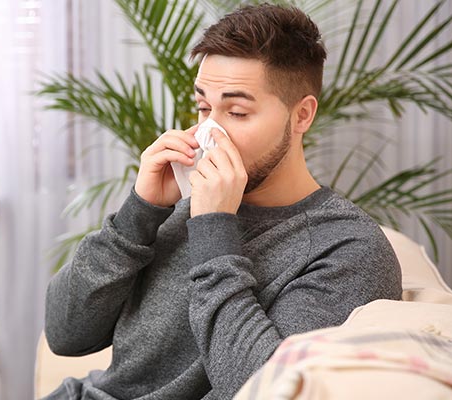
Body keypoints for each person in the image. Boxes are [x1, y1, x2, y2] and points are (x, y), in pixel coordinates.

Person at [43, 4, 402, 400]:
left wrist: (215, 228)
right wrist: (138, 212)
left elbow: (265, 389)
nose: (208, 132)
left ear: (301, 115)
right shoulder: (177, 206)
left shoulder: (348, 250)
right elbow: (64, 335)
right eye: (202, 108)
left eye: (236, 111)